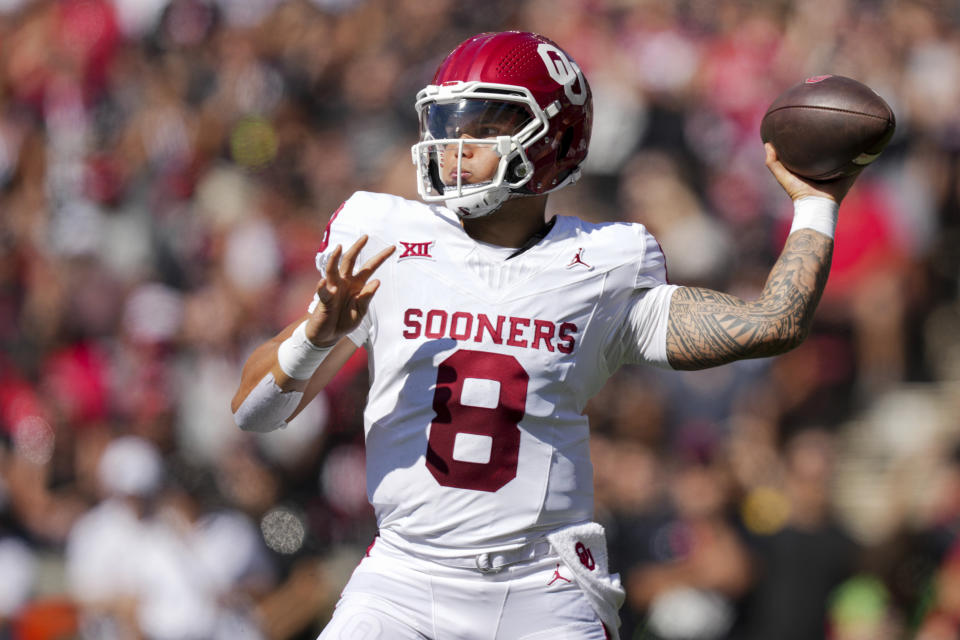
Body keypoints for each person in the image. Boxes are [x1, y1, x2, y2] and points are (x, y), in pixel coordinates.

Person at [232, 30, 860, 640]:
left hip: (542, 590)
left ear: (552, 138)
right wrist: (318, 332)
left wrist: (815, 204)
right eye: (450, 124)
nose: (457, 146)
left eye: (484, 127)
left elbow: (774, 324)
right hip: (404, 578)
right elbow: (255, 416)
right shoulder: (386, 240)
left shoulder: (603, 264)